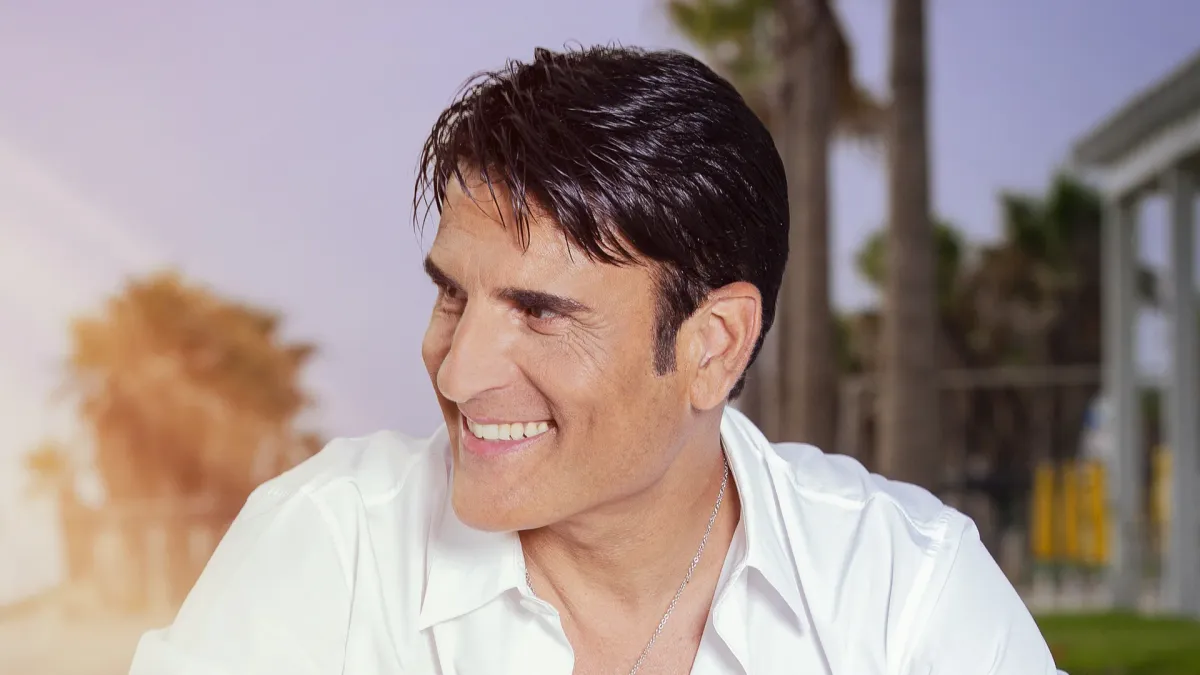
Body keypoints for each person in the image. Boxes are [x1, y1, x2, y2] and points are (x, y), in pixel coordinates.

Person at [129, 45, 1061, 675]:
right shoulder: (329, 550)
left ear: (713, 345)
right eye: (453, 294)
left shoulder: (906, 593)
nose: (456, 372)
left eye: (539, 312)